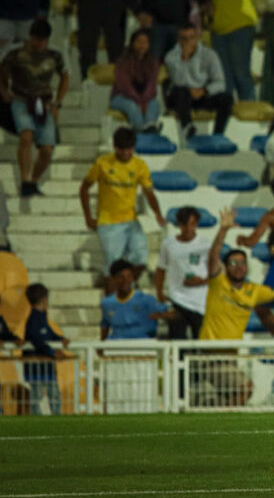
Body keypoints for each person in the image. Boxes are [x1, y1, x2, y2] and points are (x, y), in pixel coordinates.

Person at [189, 209, 274, 406]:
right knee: (245, 388)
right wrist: (223, 230)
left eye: (242, 263)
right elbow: (213, 256)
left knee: (230, 397)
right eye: (233, 263)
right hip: (210, 356)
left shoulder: (252, 290)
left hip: (231, 357)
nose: (238, 267)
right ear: (226, 267)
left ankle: (213, 414)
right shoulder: (219, 283)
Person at [80, 127, 166, 285]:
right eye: (122, 150)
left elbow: (149, 192)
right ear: (115, 147)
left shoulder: (140, 165)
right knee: (113, 265)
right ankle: (110, 298)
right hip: (108, 222)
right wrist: (88, 217)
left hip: (131, 220)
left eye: (129, 150)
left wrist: (158, 213)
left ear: (133, 148)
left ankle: (126, 289)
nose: (126, 153)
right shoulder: (103, 163)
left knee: (141, 260)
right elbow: (84, 188)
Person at [0, 21, 68, 197]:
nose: (41, 45)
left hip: (44, 103)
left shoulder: (54, 56)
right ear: (31, 37)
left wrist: (58, 101)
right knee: (26, 136)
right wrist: (4, 91)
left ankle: (34, 181)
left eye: (44, 41)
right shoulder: (16, 55)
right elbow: (2, 73)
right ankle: (24, 179)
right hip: (21, 100)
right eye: (38, 40)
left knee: (46, 149)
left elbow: (65, 76)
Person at [194, 0, 258, 102]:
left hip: (240, 27)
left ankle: (249, 108)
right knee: (223, 76)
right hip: (218, 31)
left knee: (241, 73)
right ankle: (227, 112)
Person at [163, 24, 233, 140]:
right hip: (181, 95)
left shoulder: (209, 55)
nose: (188, 42)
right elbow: (179, 81)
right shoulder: (171, 57)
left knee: (227, 98)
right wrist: (184, 58)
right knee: (180, 91)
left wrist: (204, 91)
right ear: (179, 40)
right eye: (184, 38)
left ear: (196, 38)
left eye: (191, 38)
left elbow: (220, 83)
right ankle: (187, 127)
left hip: (201, 93)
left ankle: (218, 135)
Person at [154, 206, 211, 340]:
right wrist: (159, 291)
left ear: (196, 223)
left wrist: (201, 281)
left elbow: (215, 273)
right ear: (179, 224)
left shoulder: (206, 244)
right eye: (184, 224)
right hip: (177, 299)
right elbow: (161, 268)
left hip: (200, 301)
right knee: (177, 340)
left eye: (192, 224)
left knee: (201, 341)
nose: (188, 228)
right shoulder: (168, 244)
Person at [22, 282, 70, 414]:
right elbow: (38, 340)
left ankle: (56, 417)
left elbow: (48, 333)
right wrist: (52, 351)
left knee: (53, 393)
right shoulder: (33, 320)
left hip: (46, 367)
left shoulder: (41, 317)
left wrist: (60, 338)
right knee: (37, 396)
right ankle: (38, 419)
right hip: (36, 366)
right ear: (44, 299)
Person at [100, 259, 170, 340]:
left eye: (128, 276)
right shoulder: (107, 303)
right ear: (113, 279)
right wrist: (101, 347)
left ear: (133, 278)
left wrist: (162, 315)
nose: (125, 280)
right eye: (121, 277)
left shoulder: (146, 300)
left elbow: (172, 313)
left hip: (143, 346)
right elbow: (105, 325)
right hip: (117, 346)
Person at [109, 29, 161, 134]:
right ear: (133, 43)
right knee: (132, 106)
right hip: (122, 97)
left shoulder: (152, 62)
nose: (142, 45)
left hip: (144, 98)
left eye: (145, 42)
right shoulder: (123, 61)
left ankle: (150, 127)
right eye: (139, 42)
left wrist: (144, 100)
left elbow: (152, 86)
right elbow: (124, 85)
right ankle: (140, 131)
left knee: (154, 104)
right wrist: (138, 101)